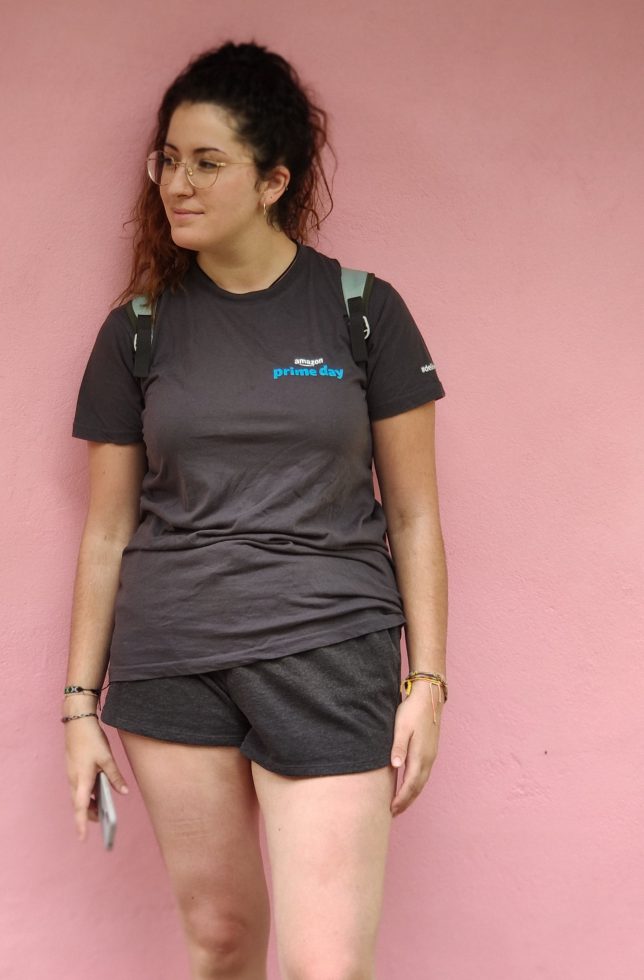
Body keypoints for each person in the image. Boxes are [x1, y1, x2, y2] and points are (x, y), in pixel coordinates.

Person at [64, 40, 447, 980]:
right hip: (173, 658)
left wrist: (428, 680)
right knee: (224, 941)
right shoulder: (136, 331)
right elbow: (107, 531)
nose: (177, 184)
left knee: (326, 965)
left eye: (207, 163)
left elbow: (413, 517)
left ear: (273, 180)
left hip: (330, 654)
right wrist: (77, 706)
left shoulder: (363, 312)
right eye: (168, 160)